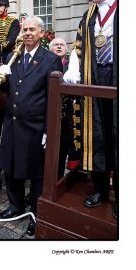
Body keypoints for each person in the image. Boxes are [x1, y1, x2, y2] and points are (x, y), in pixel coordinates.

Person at [0, 16, 63, 237]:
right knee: (10, 167)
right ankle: (15, 206)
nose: (27, 33)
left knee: (36, 174)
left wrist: (48, 130)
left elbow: (53, 98)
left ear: (41, 34)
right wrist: (3, 79)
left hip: (34, 127)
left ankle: (36, 214)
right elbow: (8, 92)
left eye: (32, 29)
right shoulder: (12, 57)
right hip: (12, 123)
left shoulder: (50, 59)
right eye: (24, 29)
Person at [63, 0, 118, 219]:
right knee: (96, 134)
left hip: (118, 76)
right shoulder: (88, 16)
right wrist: (73, 68)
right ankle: (99, 189)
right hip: (95, 77)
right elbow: (78, 47)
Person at [49, 38, 81, 175]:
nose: (59, 46)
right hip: (50, 112)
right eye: (56, 45)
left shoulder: (72, 67)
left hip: (68, 113)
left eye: (62, 44)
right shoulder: (46, 64)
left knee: (64, 146)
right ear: (50, 49)